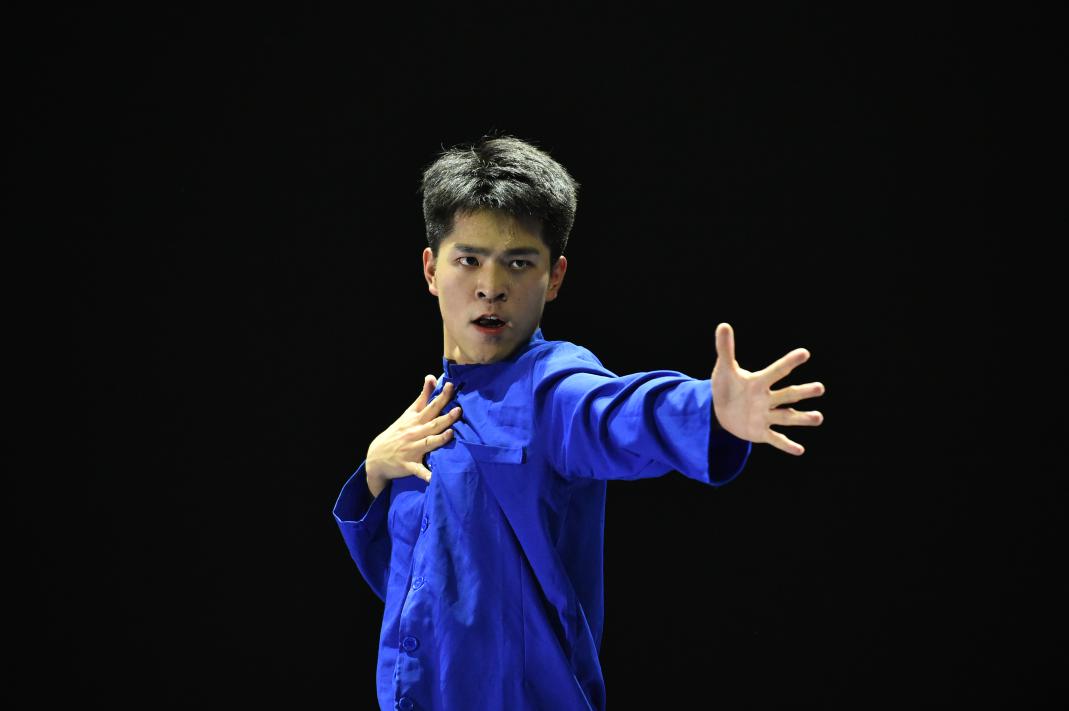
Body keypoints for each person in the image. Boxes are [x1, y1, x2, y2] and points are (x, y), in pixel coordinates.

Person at [332, 135, 825, 710]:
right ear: (431, 270)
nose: (491, 286)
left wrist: (710, 411)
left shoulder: (552, 388)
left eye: (519, 262)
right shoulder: (427, 414)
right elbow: (414, 592)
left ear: (555, 276)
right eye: (468, 260)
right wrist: (374, 472)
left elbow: (617, 412)